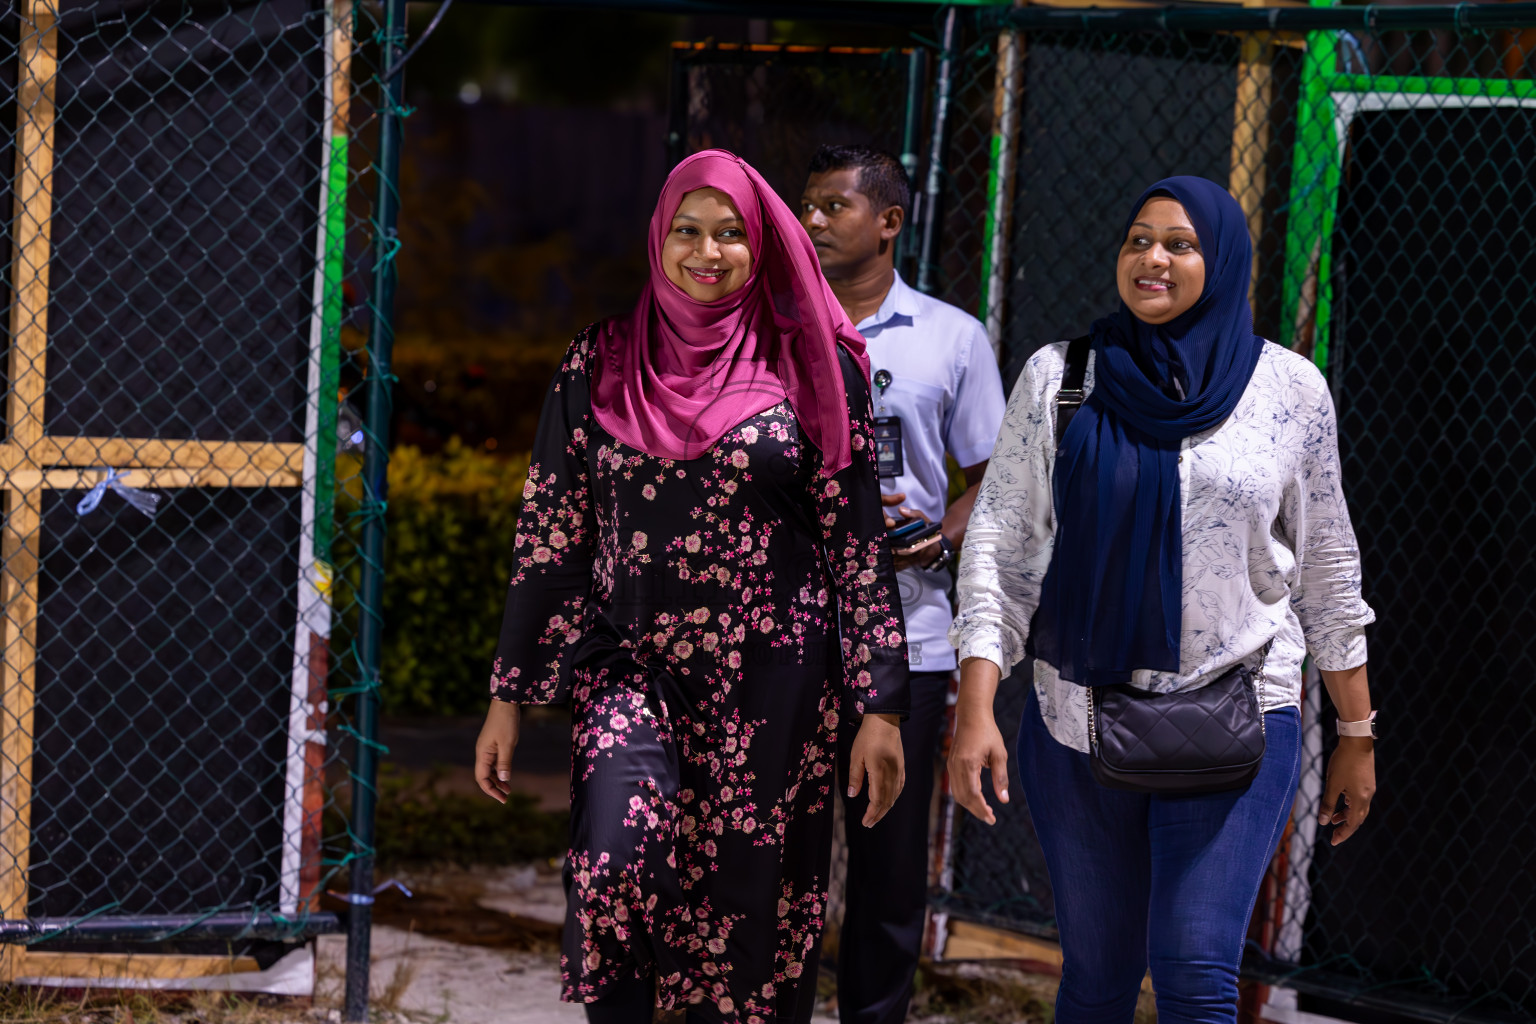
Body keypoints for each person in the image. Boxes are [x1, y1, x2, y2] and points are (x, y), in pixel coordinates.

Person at [474, 149, 910, 1024]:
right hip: (631, 666)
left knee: (746, 910)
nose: (706, 253)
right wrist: (509, 693)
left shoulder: (815, 365)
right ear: (657, 236)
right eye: (686, 231)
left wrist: (881, 703)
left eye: (730, 235)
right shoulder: (598, 360)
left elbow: (856, 541)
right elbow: (551, 531)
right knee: (614, 859)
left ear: (763, 246)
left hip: (775, 686)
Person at [947, 177, 1378, 1024]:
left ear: (1220, 263)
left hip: (1240, 713)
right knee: (1099, 978)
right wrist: (976, 706)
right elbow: (1000, 548)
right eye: (1138, 239)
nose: (1152, 258)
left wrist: (1357, 732)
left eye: (1179, 244)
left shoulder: (1289, 391)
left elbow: (1329, 565)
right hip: (1077, 716)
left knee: (1193, 974)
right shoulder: (1062, 377)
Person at [800, 144, 1006, 1024]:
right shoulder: (771, 328)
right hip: (789, 636)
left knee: (886, 873)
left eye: (831, 207)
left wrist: (937, 536)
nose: (811, 221)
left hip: (909, 639)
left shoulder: (951, 337)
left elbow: (997, 474)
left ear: (888, 221)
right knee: (778, 862)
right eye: (805, 205)